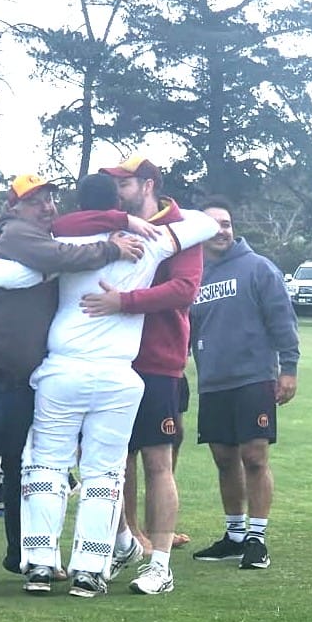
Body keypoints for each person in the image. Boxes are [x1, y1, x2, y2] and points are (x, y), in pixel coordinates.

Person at [0, 173, 218, 598]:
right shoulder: (150, 240)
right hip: (118, 374)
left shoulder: (61, 238)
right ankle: (90, 569)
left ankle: (40, 564)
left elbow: (7, 270)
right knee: (104, 474)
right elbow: (207, 224)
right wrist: (130, 220)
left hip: (63, 370)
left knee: (47, 465)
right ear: (116, 202)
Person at [0, 173, 148, 598]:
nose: (48, 206)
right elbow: (57, 256)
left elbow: (70, 242)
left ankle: (23, 557)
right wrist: (113, 245)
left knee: (21, 470)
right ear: (15, 208)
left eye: (51, 198)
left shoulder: (46, 237)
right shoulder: (16, 234)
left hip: (20, 378)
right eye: (37, 200)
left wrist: (121, 218)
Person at [85, 155, 207, 593]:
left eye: (125, 182)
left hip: (157, 360)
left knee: (157, 462)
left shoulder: (181, 228)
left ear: (149, 183)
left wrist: (125, 302)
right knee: (108, 463)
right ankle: (122, 543)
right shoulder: (108, 222)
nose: (117, 190)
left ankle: (159, 563)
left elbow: (184, 289)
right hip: (107, 360)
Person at [188, 199, 299, 570]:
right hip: (213, 382)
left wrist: (289, 369)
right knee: (223, 460)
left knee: (254, 457)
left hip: (253, 379)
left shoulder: (258, 268)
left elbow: (283, 322)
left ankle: (257, 539)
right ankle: (234, 536)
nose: (222, 230)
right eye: (214, 224)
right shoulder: (195, 275)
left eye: (227, 223)